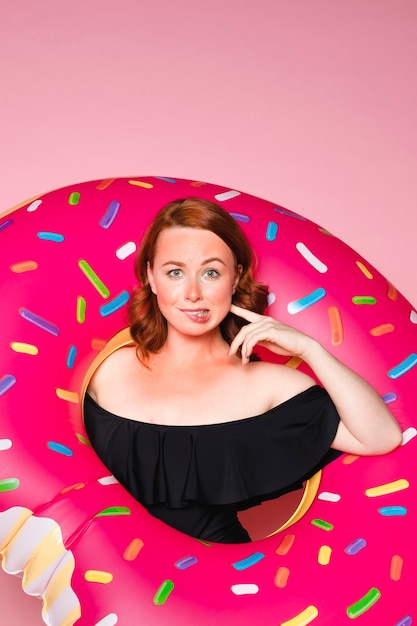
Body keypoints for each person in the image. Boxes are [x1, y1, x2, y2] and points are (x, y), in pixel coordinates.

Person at [84, 197, 402, 543]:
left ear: (235, 279)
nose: (192, 293)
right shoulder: (106, 372)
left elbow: (381, 437)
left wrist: (311, 350)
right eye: (175, 272)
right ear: (151, 277)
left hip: (211, 585)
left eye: (211, 272)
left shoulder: (268, 387)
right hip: (94, 574)